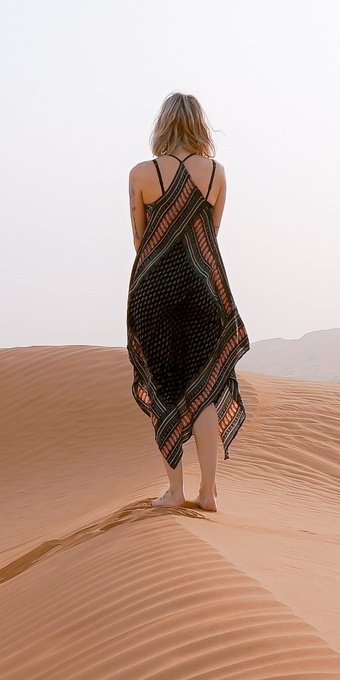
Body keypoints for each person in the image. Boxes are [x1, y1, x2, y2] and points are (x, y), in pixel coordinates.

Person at [126, 92, 249, 512]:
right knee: (205, 390)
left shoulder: (141, 174)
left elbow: (141, 241)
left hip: (154, 292)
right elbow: (210, 235)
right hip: (203, 290)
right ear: (200, 125)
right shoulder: (216, 174)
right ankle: (209, 492)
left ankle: (175, 492)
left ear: (162, 124)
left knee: (166, 388)